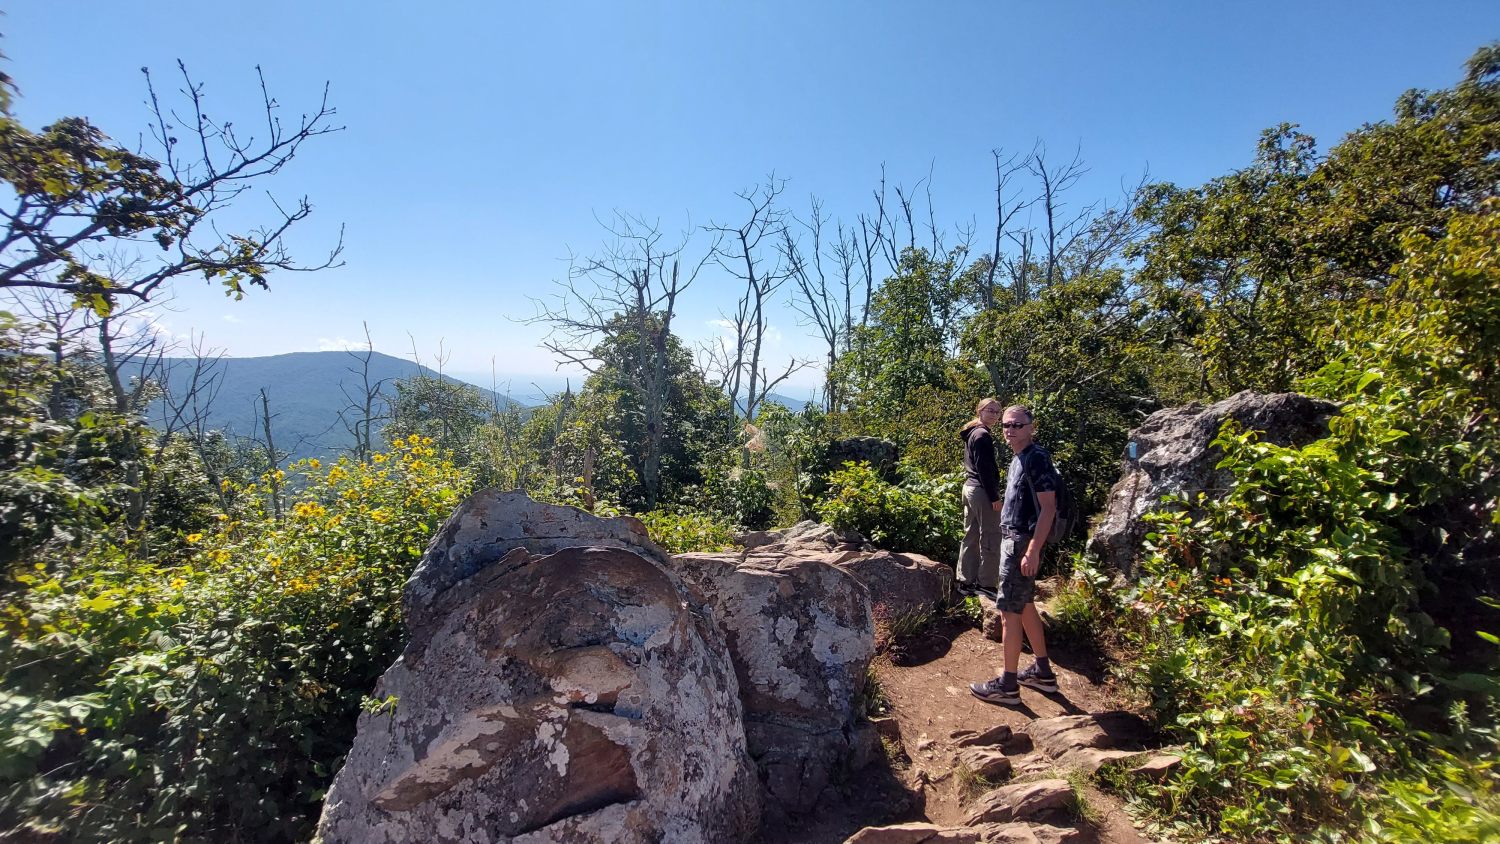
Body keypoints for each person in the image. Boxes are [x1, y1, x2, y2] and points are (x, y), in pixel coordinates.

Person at [970, 404, 1060, 706]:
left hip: (1021, 543)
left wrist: (1032, 550)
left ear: (1031, 428)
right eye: (1006, 425)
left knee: (1009, 614)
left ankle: (1007, 686)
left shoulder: (1036, 458)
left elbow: (1049, 507)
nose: (1010, 430)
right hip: (1015, 541)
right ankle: (1042, 672)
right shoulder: (1018, 457)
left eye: (1017, 425)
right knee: (1026, 604)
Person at [957, 398, 1003, 594]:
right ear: (980, 411)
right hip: (981, 491)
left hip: (970, 488)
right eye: (990, 410)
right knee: (991, 536)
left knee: (971, 534)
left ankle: (965, 582)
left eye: (997, 412)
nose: (994, 415)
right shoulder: (982, 435)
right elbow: (984, 469)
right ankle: (986, 584)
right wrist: (994, 497)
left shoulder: (973, 432)